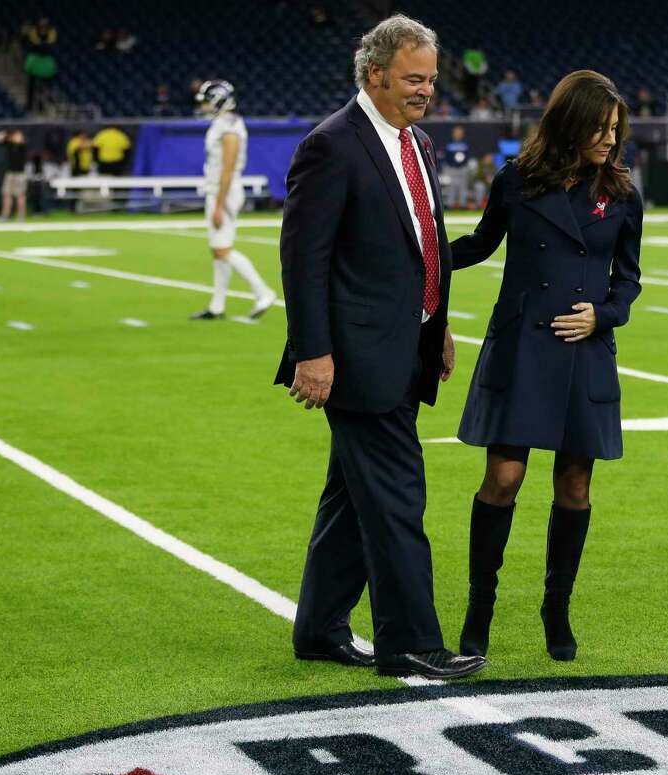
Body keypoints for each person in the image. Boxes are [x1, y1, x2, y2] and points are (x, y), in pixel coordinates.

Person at [275, 14, 485, 681]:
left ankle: (318, 629)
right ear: (375, 73)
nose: (426, 89)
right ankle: (409, 642)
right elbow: (302, 257)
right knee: (397, 494)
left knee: (352, 497)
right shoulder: (331, 145)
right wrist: (313, 351)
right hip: (355, 358)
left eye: (430, 78)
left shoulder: (414, 141)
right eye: (413, 78)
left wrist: (437, 323)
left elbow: (421, 244)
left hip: (402, 346)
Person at [449, 70, 642, 662]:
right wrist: (416, 257)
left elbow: (627, 282)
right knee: (504, 479)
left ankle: (555, 610)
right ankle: (479, 608)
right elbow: (481, 244)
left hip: (583, 350)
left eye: (616, 130)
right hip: (522, 346)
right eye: (601, 128)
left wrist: (602, 316)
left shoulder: (623, 194)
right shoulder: (517, 180)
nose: (611, 140)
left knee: (576, 484)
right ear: (571, 123)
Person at [189, 80, 277, 321]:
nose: (205, 106)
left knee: (222, 249)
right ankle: (217, 306)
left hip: (224, 190)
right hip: (220, 189)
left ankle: (263, 292)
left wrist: (219, 204)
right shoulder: (224, 123)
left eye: (208, 101)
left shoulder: (229, 126)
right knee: (218, 250)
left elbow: (228, 168)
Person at [0, 130, 28, 222]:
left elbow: (21, 143)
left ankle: (21, 215)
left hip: (20, 174)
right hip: (10, 173)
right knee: (7, 195)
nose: (17, 138)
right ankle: (5, 215)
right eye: (16, 136)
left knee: (20, 195)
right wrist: (7, 135)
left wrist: (18, 139)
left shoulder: (23, 146)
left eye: (19, 136)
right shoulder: (9, 145)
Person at [442, 125, 470, 209]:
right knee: (451, 187)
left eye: (460, 133)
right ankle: (450, 204)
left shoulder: (465, 144)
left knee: (463, 186)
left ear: (462, 134)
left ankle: (462, 204)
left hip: (462, 168)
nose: (458, 134)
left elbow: (468, 156)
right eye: (456, 133)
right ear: (453, 134)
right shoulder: (448, 143)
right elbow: (445, 156)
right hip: (451, 168)